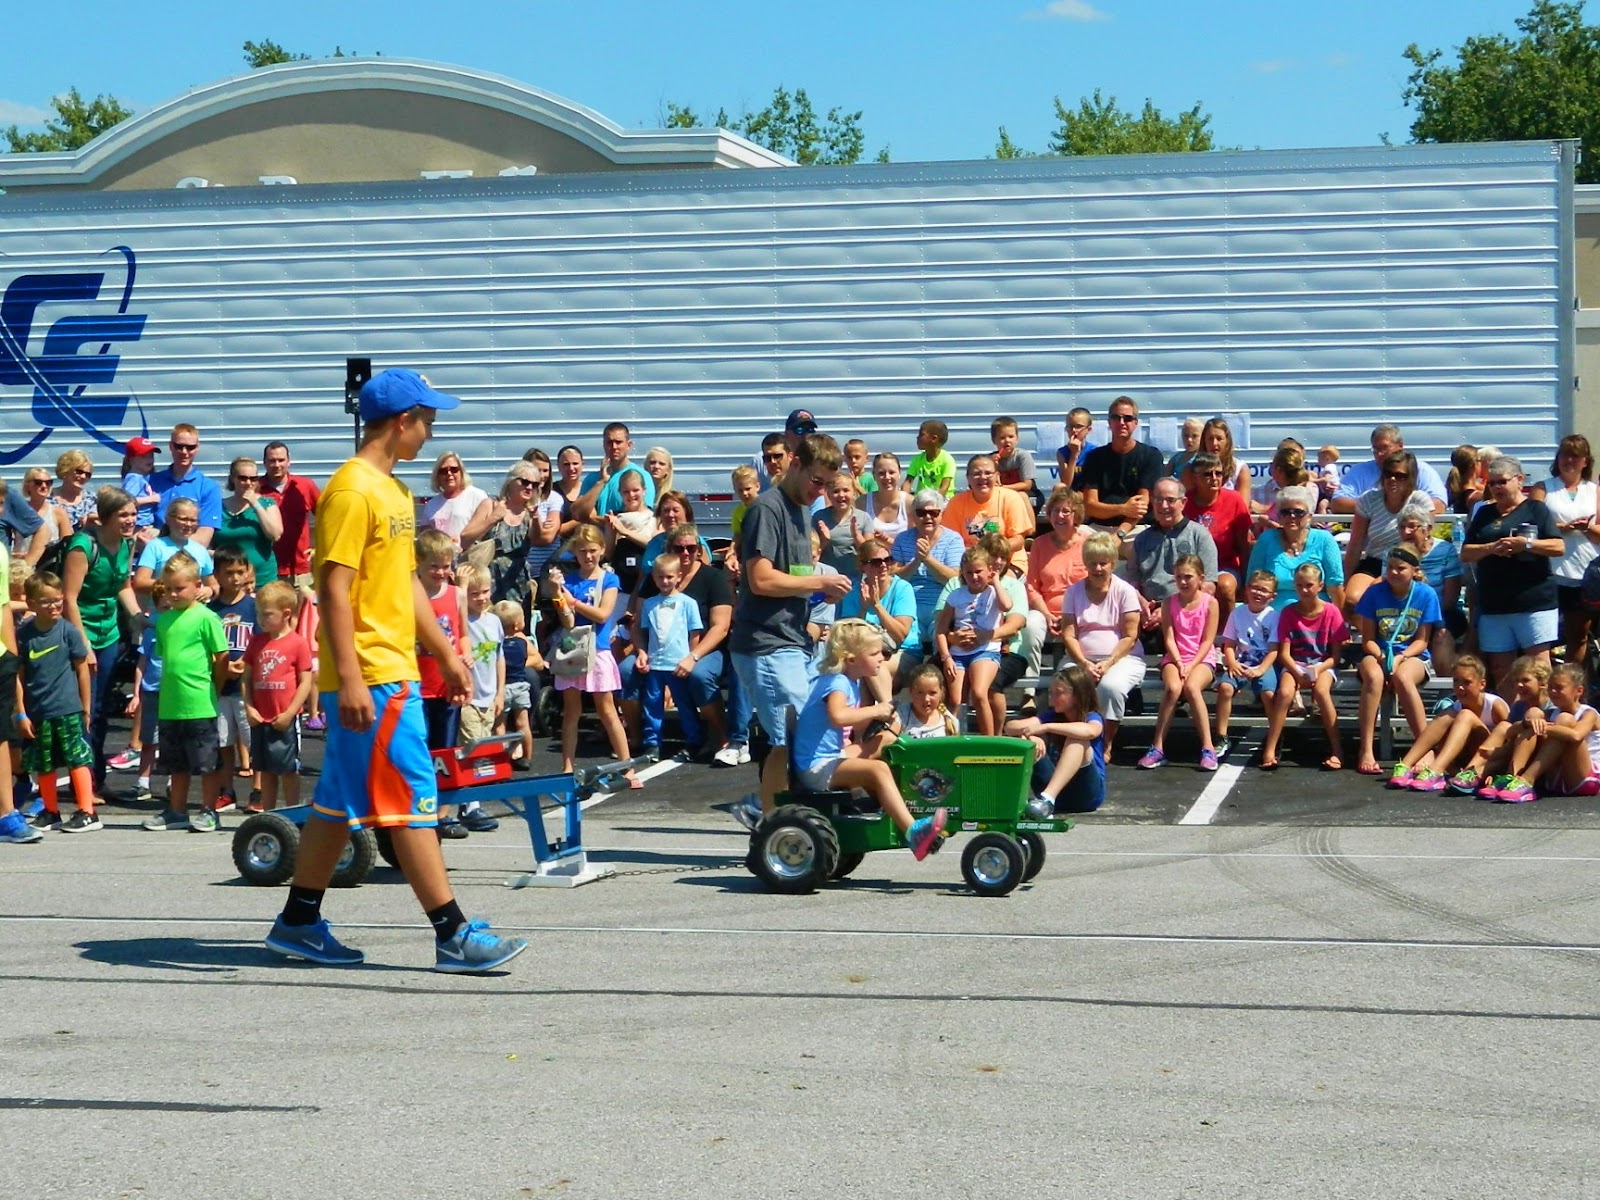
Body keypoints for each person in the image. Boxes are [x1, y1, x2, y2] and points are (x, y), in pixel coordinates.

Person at [262, 367, 527, 972]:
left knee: (336, 803)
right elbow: (331, 589)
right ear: (402, 420)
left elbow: (403, 584)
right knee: (412, 796)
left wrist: (445, 652)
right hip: (373, 676)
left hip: (393, 667)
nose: (430, 433)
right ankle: (453, 934)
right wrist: (349, 677)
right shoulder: (353, 491)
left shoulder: (395, 493)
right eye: (427, 419)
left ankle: (299, 921)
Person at [729, 433, 853, 828]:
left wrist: (817, 597)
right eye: (817, 481)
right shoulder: (768, 509)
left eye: (828, 486)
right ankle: (769, 820)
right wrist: (819, 584)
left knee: (801, 734)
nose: (821, 492)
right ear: (795, 464)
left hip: (793, 641)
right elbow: (761, 580)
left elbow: (793, 576)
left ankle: (776, 816)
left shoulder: (802, 510)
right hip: (765, 643)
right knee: (789, 737)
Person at [791, 618, 947, 858]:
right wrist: (876, 710)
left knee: (885, 740)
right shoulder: (837, 682)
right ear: (852, 659)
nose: (882, 658)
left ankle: (893, 805)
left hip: (827, 757)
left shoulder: (848, 681)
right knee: (878, 770)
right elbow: (838, 717)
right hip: (816, 767)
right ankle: (913, 832)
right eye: (874, 653)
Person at [624, 523, 738, 765]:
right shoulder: (656, 580)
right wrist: (640, 651)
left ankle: (716, 736)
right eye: (679, 548)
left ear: (699, 549)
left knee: (698, 677)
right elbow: (638, 623)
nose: (685, 553)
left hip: (704, 650)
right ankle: (641, 739)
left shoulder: (712, 578)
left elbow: (720, 627)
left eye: (691, 548)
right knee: (626, 670)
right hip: (656, 656)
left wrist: (692, 655)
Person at [141, 553, 230, 832]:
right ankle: (176, 810)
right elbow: (165, 659)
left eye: (179, 588)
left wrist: (213, 689)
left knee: (206, 763)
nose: (173, 594)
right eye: (168, 588)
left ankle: (208, 810)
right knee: (175, 763)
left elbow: (222, 657)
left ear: (196, 585)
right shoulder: (164, 621)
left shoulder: (207, 617)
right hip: (170, 705)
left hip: (200, 704)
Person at [60, 487, 139, 795]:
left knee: (104, 706)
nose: (131, 520)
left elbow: (123, 585)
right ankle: (85, 780)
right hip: (84, 631)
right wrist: (84, 644)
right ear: (106, 517)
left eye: (133, 514)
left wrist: (138, 617)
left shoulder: (126, 543)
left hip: (110, 633)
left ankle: (96, 775)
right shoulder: (83, 547)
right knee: (87, 708)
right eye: (124, 515)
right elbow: (69, 598)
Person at [1459, 455, 1563, 687]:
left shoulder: (1536, 510)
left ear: (1519, 480)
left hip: (1534, 603)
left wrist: (1525, 545)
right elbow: (1466, 553)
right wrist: (1491, 548)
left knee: (1538, 669)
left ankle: (1542, 719)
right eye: (1492, 483)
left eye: (1502, 481)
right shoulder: (1485, 513)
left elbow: (1558, 547)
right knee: (1500, 669)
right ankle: (1510, 720)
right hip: (1496, 604)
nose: (1497, 488)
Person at [548, 526, 637, 785]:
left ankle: (627, 766)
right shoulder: (570, 581)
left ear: (602, 551)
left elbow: (603, 614)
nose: (588, 556)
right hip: (573, 647)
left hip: (597, 649)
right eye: (583, 551)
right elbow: (568, 622)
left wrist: (572, 601)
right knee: (571, 711)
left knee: (607, 709)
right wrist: (558, 596)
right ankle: (566, 767)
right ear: (575, 552)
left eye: (592, 551)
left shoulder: (608, 579)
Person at [15, 571, 100, 832]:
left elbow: (83, 668)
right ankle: (50, 810)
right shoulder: (24, 635)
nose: (53, 606)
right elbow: (18, 675)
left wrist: (85, 706)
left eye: (57, 600)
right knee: (44, 761)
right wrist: (21, 713)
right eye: (46, 601)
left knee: (77, 757)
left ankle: (87, 811)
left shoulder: (68, 631)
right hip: (39, 711)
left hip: (67, 708)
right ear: (31, 604)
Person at [1352, 546, 1442, 775]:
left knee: (1403, 677)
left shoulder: (1425, 594)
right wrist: (1383, 657)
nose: (1393, 573)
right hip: (1378, 652)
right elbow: (1368, 640)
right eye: (1390, 567)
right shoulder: (1374, 593)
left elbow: (1422, 641)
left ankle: (1425, 746)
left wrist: (1402, 657)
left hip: (1412, 653)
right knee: (1373, 676)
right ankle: (1366, 748)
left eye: (1400, 568)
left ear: (1414, 570)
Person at [1060, 532, 1147, 755]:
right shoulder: (1073, 592)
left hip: (1123, 658)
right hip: (1081, 658)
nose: (1098, 568)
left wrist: (1108, 663)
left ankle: (1105, 742)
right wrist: (1084, 663)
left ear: (1113, 563)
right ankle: (1075, 738)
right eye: (1092, 563)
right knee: (1066, 685)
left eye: (1103, 563)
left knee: (1111, 687)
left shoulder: (1125, 591)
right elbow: (1069, 634)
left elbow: (1130, 636)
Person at [1259, 563, 1348, 772]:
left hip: (1322, 664)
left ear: (1320, 586)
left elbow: (1335, 656)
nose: (1304, 590)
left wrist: (1317, 669)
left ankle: (1337, 749)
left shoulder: (1331, 612)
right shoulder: (1289, 612)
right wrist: (1299, 673)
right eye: (1299, 585)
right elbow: (1284, 653)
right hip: (1295, 663)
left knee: (1321, 691)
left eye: (1309, 585)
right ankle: (1270, 748)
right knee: (1285, 692)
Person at [1138, 554, 1221, 771]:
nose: (1183, 582)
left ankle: (1208, 747)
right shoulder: (1168, 603)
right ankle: (1157, 747)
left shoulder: (1211, 603)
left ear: (1201, 578)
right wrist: (1178, 661)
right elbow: (1169, 638)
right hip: (1175, 657)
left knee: (1192, 687)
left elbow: (1207, 640)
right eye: (1178, 577)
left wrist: (1191, 665)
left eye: (1188, 577)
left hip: (1201, 658)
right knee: (1173, 688)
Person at [242, 581, 314, 811]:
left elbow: (306, 681)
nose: (261, 620)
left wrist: (290, 712)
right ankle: (270, 811)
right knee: (266, 769)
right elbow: (246, 678)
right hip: (261, 718)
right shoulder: (256, 641)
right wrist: (249, 707)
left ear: (285, 614)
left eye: (266, 615)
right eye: (259, 614)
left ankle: (292, 811)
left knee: (288, 769)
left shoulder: (297, 643)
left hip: (285, 719)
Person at [1529, 434, 1600, 666]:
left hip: (1585, 573)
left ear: (1585, 461)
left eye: (1575, 456)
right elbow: (1530, 525)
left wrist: (1587, 529)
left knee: (1577, 635)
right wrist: (1562, 528)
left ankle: (1570, 686)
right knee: (1543, 638)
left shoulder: (1594, 490)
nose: (1569, 460)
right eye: (1564, 455)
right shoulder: (1544, 488)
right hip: (1549, 572)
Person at [1388, 654, 1506, 792]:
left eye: (1467, 682)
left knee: (1465, 715)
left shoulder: (1495, 705)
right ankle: (1405, 765)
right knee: (1446, 716)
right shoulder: (1456, 705)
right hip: (1464, 759)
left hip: (1488, 758)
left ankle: (1436, 770)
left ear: (1482, 684)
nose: (1460, 687)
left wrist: (1493, 772)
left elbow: (1508, 740)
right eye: (1456, 681)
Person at [1341, 450, 1437, 612]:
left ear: (1410, 478)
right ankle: (1376, 635)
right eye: (1388, 474)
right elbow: (1356, 544)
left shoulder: (1420, 500)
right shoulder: (1369, 499)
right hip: (1375, 559)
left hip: (1407, 562)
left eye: (1400, 476)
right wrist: (1346, 578)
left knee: (1374, 592)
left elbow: (1424, 539)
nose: (1392, 479)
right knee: (1352, 600)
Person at [1005, 664, 1106, 814]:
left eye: (1058, 693)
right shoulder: (1050, 715)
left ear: (1077, 695)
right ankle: (1028, 799)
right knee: (1024, 741)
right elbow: (1010, 726)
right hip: (1058, 794)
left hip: (1085, 796)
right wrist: (1031, 737)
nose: (1053, 698)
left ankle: (1047, 798)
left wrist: (1047, 727)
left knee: (1077, 740)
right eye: (1051, 693)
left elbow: (1090, 731)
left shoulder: (1092, 717)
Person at [934, 545, 1013, 736]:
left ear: (989, 571)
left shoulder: (994, 592)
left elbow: (1007, 605)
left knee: (979, 693)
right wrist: (946, 657)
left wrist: (996, 582)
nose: (974, 577)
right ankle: (952, 739)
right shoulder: (956, 595)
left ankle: (989, 740)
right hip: (959, 653)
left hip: (985, 649)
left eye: (979, 571)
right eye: (969, 572)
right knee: (954, 699)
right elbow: (941, 630)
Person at [1451, 656, 1553, 800]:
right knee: (1504, 726)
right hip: (1516, 751)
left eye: (1525, 680)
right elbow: (1508, 734)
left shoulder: (1551, 706)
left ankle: (1511, 777)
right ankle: (1473, 772)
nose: (1519, 685)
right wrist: (1524, 723)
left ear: (1542, 683)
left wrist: (1531, 721)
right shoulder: (1519, 706)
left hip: (1540, 760)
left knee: (1527, 730)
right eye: (1516, 681)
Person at [1496, 661, 1600, 802]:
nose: (1553, 692)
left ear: (1578, 691)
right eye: (1550, 688)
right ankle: (1513, 777)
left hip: (1585, 779)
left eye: (1559, 688)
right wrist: (1528, 723)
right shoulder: (1550, 713)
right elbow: (1509, 733)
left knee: (1563, 720)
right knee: (1533, 718)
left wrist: (1545, 727)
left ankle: (1527, 780)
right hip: (1557, 779)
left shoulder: (1589, 713)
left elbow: (1576, 736)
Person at [1126, 477, 1219, 634]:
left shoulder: (1199, 535)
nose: (1163, 506)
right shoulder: (1142, 539)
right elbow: (1132, 581)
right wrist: (1140, 603)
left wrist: (1169, 610)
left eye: (1170, 500)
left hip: (1187, 612)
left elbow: (1208, 586)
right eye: (1158, 500)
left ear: (1183, 502)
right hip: (1147, 612)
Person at [635, 552, 704, 760]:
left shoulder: (688, 603)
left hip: (678, 664)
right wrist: (642, 653)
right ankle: (652, 743)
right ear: (653, 577)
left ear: (679, 577)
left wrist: (691, 658)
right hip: (656, 664)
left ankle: (693, 741)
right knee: (652, 704)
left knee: (684, 704)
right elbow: (644, 632)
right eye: (660, 577)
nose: (665, 581)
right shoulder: (649, 604)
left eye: (669, 577)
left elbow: (695, 633)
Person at [1214, 570, 1280, 762]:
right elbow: (1229, 644)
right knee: (1225, 688)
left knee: (1268, 694)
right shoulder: (1237, 613)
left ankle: (1274, 735)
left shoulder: (1273, 616)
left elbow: (1274, 650)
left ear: (1272, 596)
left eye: (1264, 590)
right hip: (1241, 662)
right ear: (1247, 589)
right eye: (1255, 588)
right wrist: (1232, 662)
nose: (1258, 593)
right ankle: (1221, 735)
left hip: (1264, 663)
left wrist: (1261, 669)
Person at [1245, 486, 1345, 611]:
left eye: (1298, 512)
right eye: (1285, 512)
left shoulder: (1324, 540)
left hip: (1316, 616)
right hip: (1273, 619)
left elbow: (1335, 587)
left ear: (1309, 516)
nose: (1291, 516)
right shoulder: (1266, 540)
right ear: (1279, 516)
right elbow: (1252, 583)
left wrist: (1338, 624)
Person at [1024, 485, 1088, 679]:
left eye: (1065, 511)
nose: (1059, 516)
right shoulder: (1039, 544)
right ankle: (1030, 689)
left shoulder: (1088, 542)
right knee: (1030, 625)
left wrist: (1070, 616)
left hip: (1081, 611)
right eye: (1054, 511)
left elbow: (1096, 585)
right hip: (1046, 611)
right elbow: (1032, 586)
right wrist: (1047, 615)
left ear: (1076, 515)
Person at [1077, 395, 1164, 536]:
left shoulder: (1150, 456)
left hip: (1137, 527)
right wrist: (1123, 508)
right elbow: (1090, 506)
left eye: (1128, 418)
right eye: (1116, 418)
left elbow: (1140, 507)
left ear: (1136, 423)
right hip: (1099, 528)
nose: (1122, 422)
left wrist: (1119, 534)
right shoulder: (1095, 457)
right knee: (1075, 536)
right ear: (1109, 422)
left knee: (1149, 543)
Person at [209, 547, 259, 793]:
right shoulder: (209, 610)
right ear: (216, 574)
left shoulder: (255, 607)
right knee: (223, 741)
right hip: (220, 688)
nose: (236, 578)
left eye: (240, 572)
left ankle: (258, 790)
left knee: (253, 740)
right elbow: (204, 646)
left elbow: (263, 644)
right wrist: (221, 666)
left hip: (247, 689)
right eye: (229, 573)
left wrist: (246, 665)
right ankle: (226, 791)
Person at [463, 460, 543, 609]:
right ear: (510, 482)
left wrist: (536, 520)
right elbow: (465, 538)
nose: (530, 487)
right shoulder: (491, 505)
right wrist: (493, 518)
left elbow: (538, 540)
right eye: (525, 482)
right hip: (488, 583)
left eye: (535, 484)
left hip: (519, 585)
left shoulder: (530, 514)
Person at [837, 537, 918, 683]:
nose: (883, 566)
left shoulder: (902, 588)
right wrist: (863, 608)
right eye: (876, 562)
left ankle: (885, 705)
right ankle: (877, 705)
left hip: (903, 651)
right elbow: (849, 637)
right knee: (864, 665)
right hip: (867, 653)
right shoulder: (853, 593)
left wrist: (877, 606)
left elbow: (900, 635)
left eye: (887, 560)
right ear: (862, 566)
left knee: (872, 667)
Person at [1183, 450, 1253, 612]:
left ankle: (1224, 635)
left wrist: (1246, 581)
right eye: (1208, 474)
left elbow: (1244, 545)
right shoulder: (1184, 502)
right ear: (1195, 477)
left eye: (1219, 473)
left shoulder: (1234, 499)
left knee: (1225, 587)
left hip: (1225, 566)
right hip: (1190, 567)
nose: (1215, 478)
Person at [1399, 502, 1464, 674]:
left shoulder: (1445, 550)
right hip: (1402, 613)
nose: (1406, 532)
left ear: (1427, 529)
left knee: (1441, 635)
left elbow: (1450, 599)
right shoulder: (1394, 553)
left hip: (1441, 612)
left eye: (1412, 527)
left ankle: (1445, 695)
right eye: (1402, 527)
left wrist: (1423, 619)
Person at [1329, 423, 1448, 514]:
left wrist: (1399, 509)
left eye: (1384, 448)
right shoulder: (1359, 471)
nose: (1379, 453)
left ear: (1400, 446)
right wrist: (1382, 508)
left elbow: (1439, 505)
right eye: (1375, 449)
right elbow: (1338, 503)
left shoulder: (1422, 470)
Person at [941, 454, 1032, 571]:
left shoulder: (1010, 498)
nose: (982, 477)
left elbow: (1018, 541)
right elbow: (950, 540)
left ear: (997, 476)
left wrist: (988, 551)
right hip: (970, 565)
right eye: (976, 474)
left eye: (988, 473)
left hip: (1007, 562)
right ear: (968, 478)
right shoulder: (956, 502)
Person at [214, 457, 283, 588]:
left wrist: (255, 504)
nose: (248, 483)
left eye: (253, 479)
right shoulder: (219, 506)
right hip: (229, 582)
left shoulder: (267, 504)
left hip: (263, 579)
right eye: (243, 478)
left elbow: (275, 535)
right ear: (233, 479)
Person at [261, 441, 321, 590]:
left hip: (300, 569)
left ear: (289, 461)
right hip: (267, 569)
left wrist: (319, 547)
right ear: (264, 463)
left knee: (304, 612)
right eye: (272, 460)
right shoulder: (256, 489)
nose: (276, 465)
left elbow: (327, 517)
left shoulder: (304, 486)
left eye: (281, 460)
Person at [149, 423, 223, 545]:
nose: (184, 452)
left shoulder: (208, 488)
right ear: (170, 446)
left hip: (188, 560)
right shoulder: (151, 481)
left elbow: (203, 539)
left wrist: (161, 541)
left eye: (190, 447)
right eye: (179, 446)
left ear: (197, 448)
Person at [133, 498, 216, 604]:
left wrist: (210, 590)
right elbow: (140, 583)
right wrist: (172, 585)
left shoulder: (200, 550)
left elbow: (213, 585)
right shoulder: (155, 546)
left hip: (193, 616)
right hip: (162, 615)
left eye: (193, 520)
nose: (188, 524)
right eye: (183, 519)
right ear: (168, 520)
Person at [572, 422, 657, 522]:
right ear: (603, 445)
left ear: (629, 445)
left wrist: (595, 519)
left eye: (618, 442)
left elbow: (641, 518)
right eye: (609, 442)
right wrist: (601, 482)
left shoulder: (641, 476)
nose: (614, 447)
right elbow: (578, 514)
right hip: (596, 537)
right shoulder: (592, 479)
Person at [494, 599, 542, 767]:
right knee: (523, 724)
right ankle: (527, 757)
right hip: (521, 687)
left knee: (500, 725)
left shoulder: (497, 645)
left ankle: (501, 758)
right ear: (516, 626)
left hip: (503, 688)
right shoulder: (522, 643)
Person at [420, 451, 492, 551]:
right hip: (441, 561)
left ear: (461, 472)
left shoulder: (477, 496)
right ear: (437, 477)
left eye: (454, 470)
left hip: (468, 558)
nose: (449, 474)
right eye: (443, 471)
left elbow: (485, 531)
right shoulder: (431, 505)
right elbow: (424, 537)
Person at [815, 472, 863, 576]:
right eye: (836, 491)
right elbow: (812, 553)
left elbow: (870, 554)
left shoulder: (863, 518)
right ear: (828, 494)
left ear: (854, 493)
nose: (841, 495)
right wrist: (823, 540)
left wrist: (857, 537)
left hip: (856, 578)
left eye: (846, 490)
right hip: (827, 578)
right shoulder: (819, 517)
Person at [895, 661, 959, 739]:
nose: (926, 699)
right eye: (920, 693)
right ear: (911, 691)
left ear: (942, 692)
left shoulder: (950, 722)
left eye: (932, 693)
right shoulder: (901, 716)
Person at [860, 452, 910, 540]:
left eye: (891, 472)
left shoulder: (910, 503)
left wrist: (888, 541)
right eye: (881, 473)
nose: (887, 477)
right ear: (874, 475)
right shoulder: (861, 503)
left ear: (899, 474)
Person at [1200, 417, 1251, 502]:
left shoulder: (1240, 469)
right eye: (1210, 438)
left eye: (1219, 439)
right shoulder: (1192, 468)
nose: (1214, 443)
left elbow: (1243, 508)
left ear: (1227, 441)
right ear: (1204, 441)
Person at [120, 436, 163, 535]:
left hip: (144, 525)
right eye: (144, 456)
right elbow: (127, 502)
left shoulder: (141, 478)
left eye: (151, 456)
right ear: (131, 459)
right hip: (139, 526)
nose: (149, 460)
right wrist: (151, 499)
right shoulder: (134, 478)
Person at [905, 419, 957, 499]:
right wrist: (904, 497)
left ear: (934, 439)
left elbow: (944, 487)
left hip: (943, 499)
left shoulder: (947, 460)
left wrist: (934, 503)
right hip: (922, 499)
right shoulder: (918, 459)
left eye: (921, 434)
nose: (917, 437)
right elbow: (908, 482)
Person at [991, 416, 1039, 504]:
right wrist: (992, 466)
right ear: (994, 440)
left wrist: (1003, 488)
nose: (1007, 440)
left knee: (1020, 497)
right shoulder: (989, 460)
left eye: (1011, 436)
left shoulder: (1022, 456)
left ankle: (1029, 518)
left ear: (1017, 439)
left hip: (1028, 495)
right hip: (1003, 494)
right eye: (1002, 438)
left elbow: (1027, 485)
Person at [52, 449, 99, 533]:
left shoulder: (92, 500)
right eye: (79, 471)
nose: (83, 476)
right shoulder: (48, 498)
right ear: (66, 469)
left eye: (88, 474)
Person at [1055, 406, 1097, 490]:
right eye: (1070, 426)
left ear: (1088, 429)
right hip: (1071, 494)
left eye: (1078, 426)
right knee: (1058, 487)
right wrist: (1074, 455)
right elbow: (1066, 484)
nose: (1074, 430)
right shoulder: (1062, 453)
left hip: (1089, 494)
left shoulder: (1094, 451)